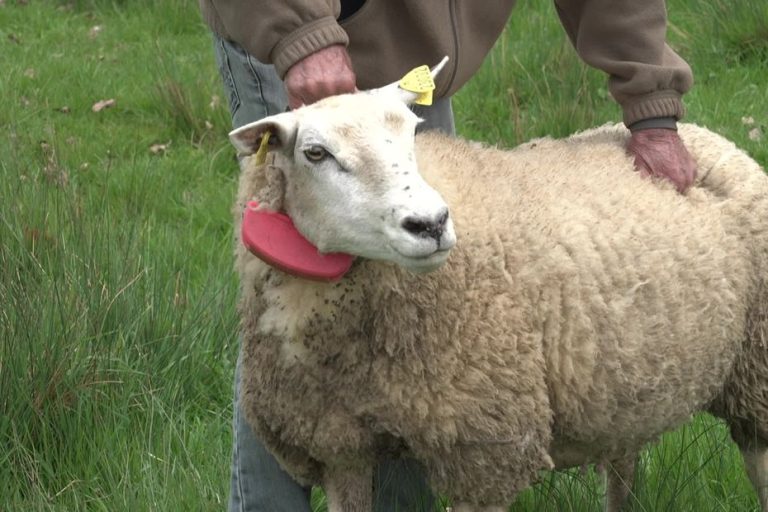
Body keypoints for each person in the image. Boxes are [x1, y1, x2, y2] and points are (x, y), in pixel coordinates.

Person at [199, 1, 698, 510]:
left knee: (422, 316)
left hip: (413, 54)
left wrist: (651, 102)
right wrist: (299, 35)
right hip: (283, 23)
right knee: (293, 299)